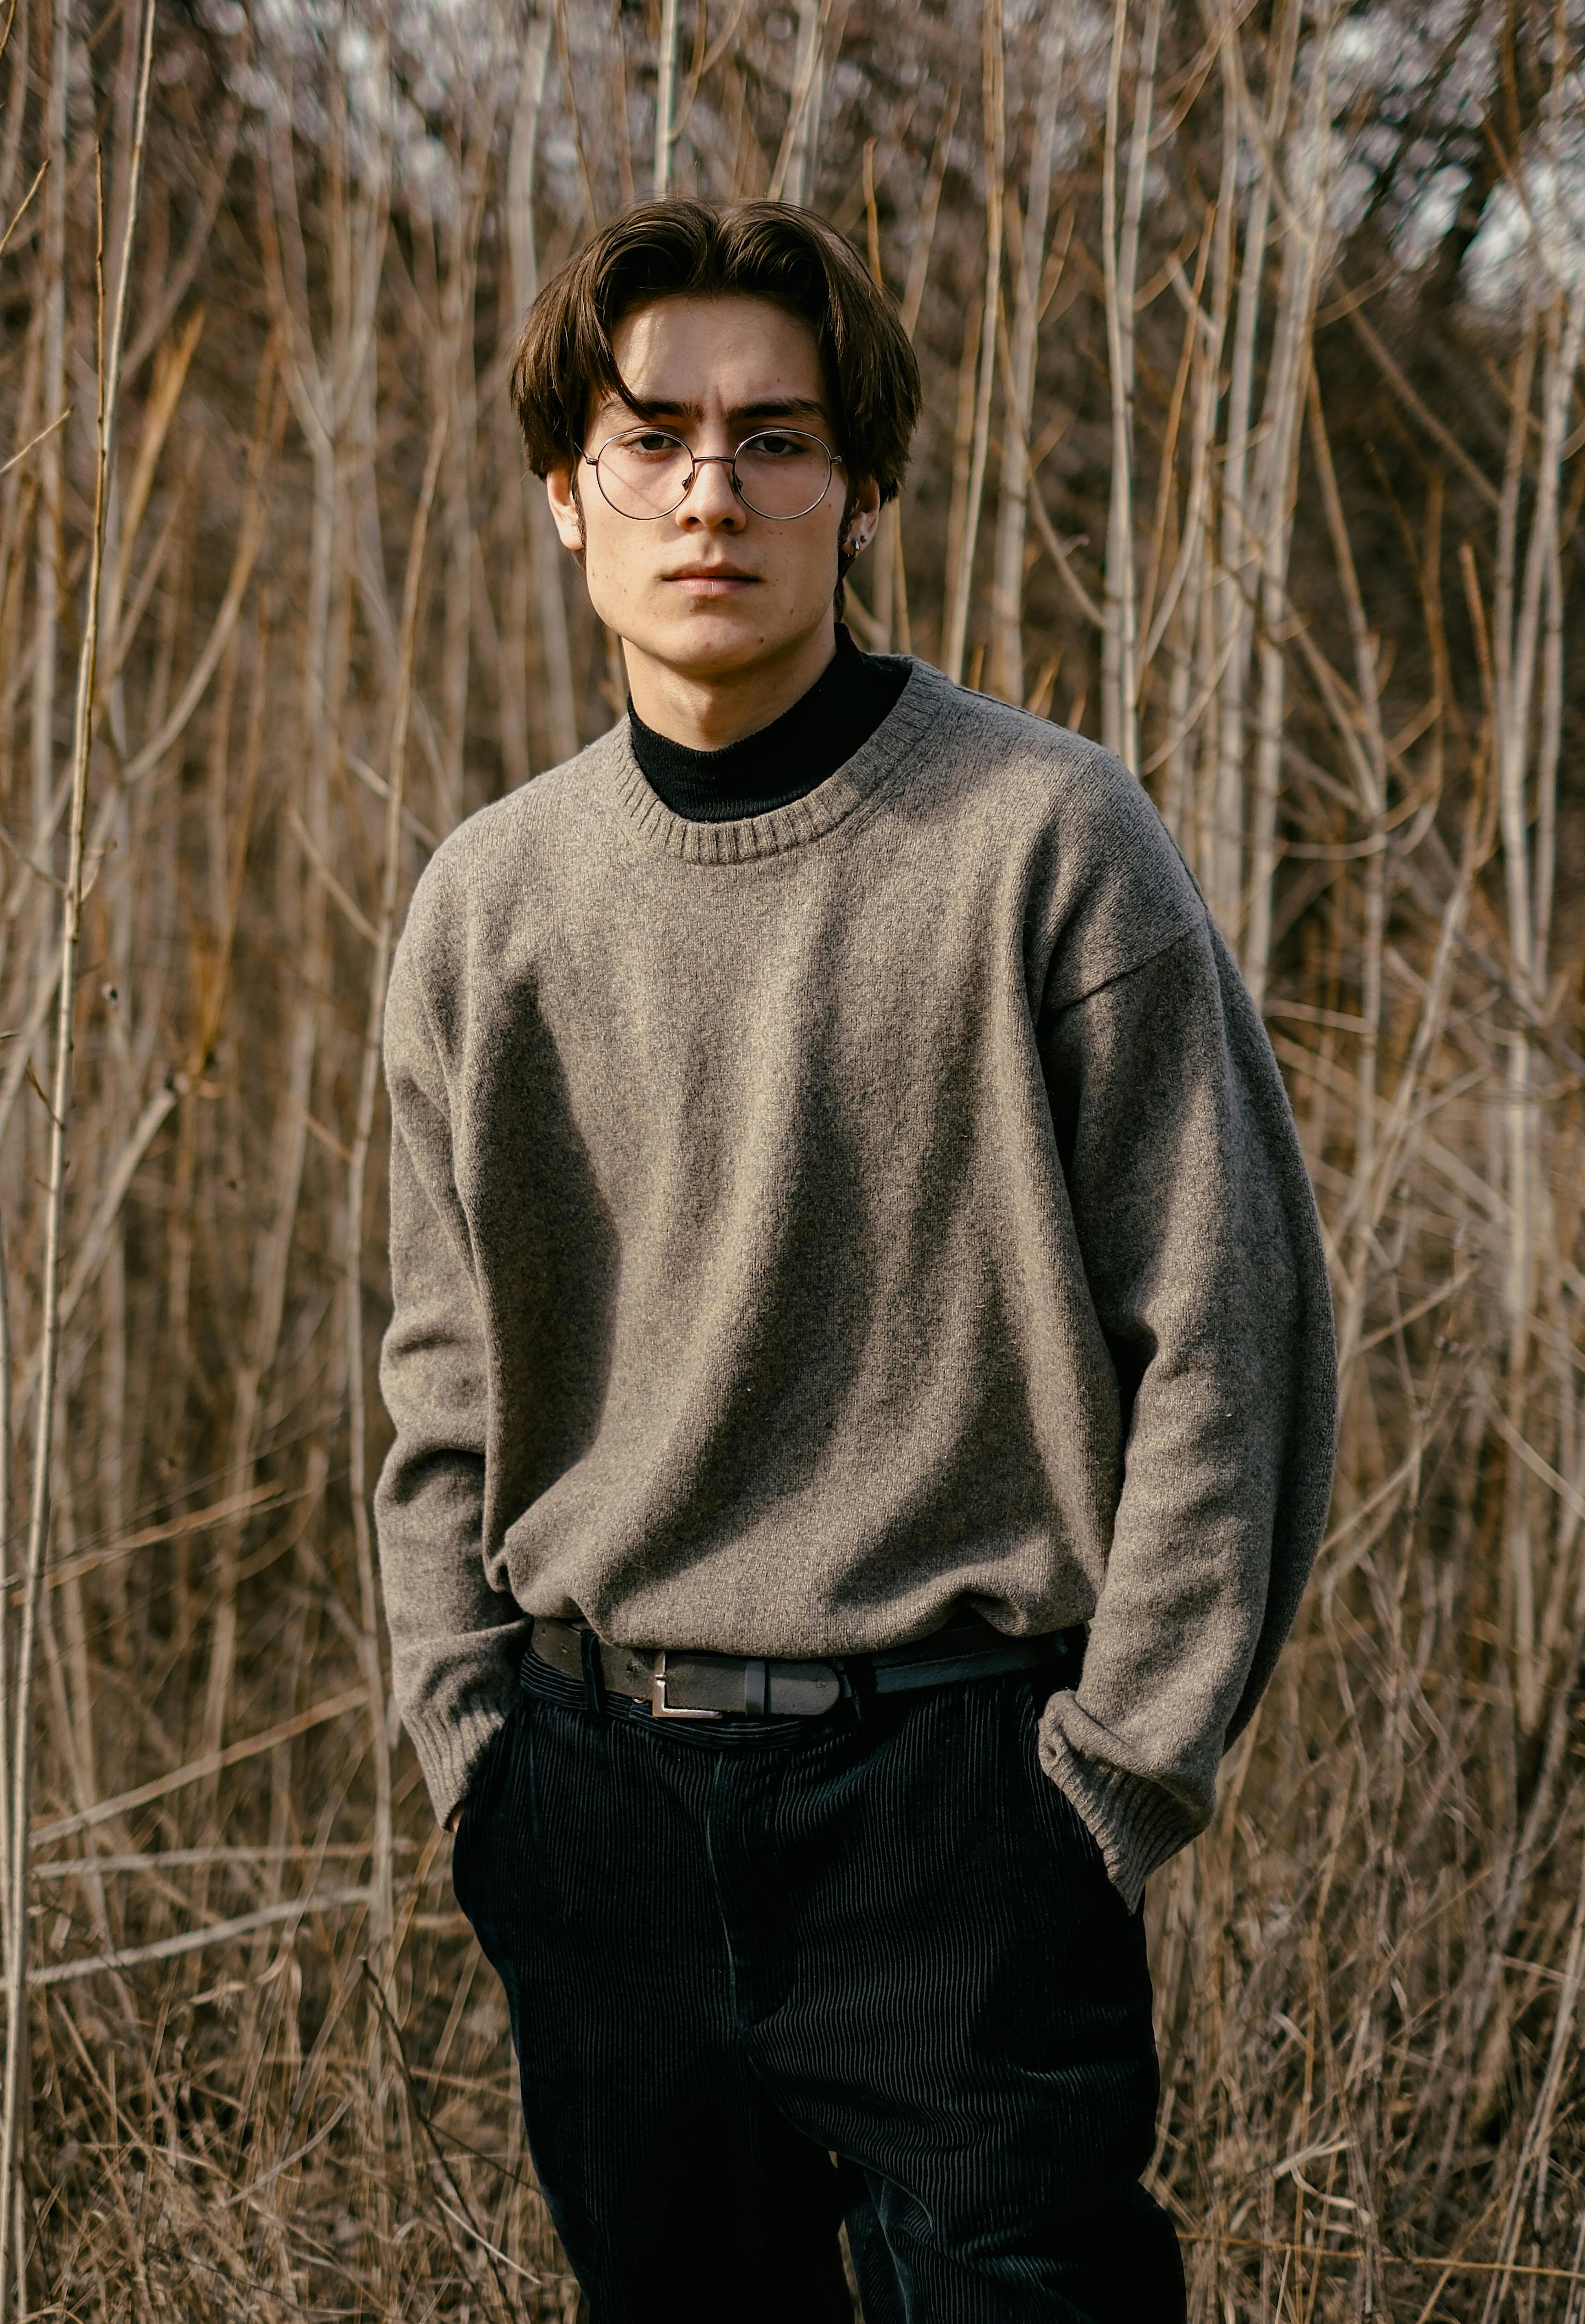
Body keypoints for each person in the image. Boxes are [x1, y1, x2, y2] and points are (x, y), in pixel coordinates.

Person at [374, 198, 1337, 2324]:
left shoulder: (1046, 841)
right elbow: (443, 1387)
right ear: (567, 493)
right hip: (598, 1808)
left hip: (963, 1808)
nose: (711, 489)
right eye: (651, 438)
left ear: (862, 491)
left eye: (776, 438)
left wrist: (1105, 1788)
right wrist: (480, 1764)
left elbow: (1231, 1332)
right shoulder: (488, 905)